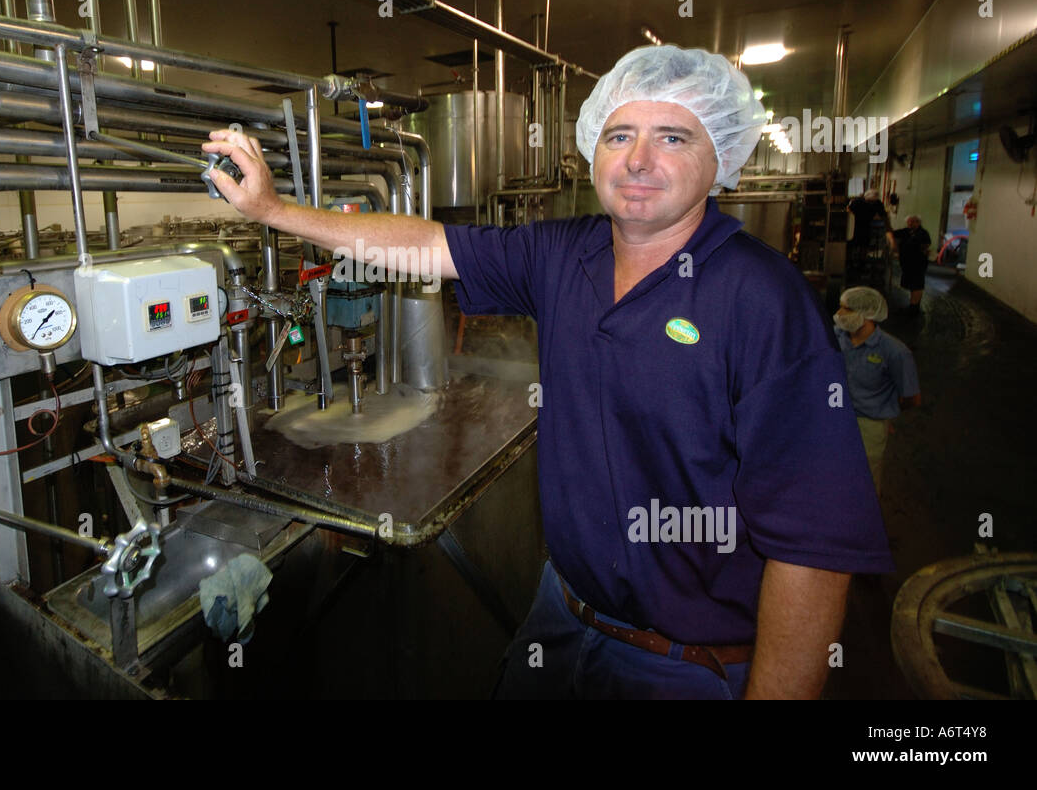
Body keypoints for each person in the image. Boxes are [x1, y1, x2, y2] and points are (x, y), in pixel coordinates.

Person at [202, 44, 893, 700]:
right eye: (619, 136)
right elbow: (424, 246)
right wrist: (275, 212)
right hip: (562, 616)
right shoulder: (565, 253)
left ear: (722, 154)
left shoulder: (764, 300)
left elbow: (812, 549)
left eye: (673, 137)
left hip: (686, 665)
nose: (639, 159)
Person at [833, 287, 920, 496]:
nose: (839, 314)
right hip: (836, 418)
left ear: (867, 314)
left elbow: (912, 398)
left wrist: (884, 411)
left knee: (863, 485)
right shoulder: (837, 337)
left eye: (848, 309)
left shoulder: (895, 352)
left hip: (868, 426)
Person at [887, 215, 931, 313]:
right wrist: (893, 242)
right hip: (907, 264)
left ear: (918, 223)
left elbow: (925, 246)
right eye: (909, 222)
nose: (910, 223)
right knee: (912, 285)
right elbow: (890, 233)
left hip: (918, 263)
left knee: (917, 285)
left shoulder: (923, 233)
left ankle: (914, 309)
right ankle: (913, 306)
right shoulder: (906, 231)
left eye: (914, 221)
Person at [846, 188, 887, 277]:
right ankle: (849, 263)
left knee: (864, 245)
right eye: (869, 201)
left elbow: (883, 215)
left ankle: (862, 264)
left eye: (872, 202)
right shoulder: (857, 202)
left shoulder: (877, 203)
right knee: (851, 244)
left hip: (866, 226)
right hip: (854, 226)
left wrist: (887, 227)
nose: (871, 203)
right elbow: (848, 211)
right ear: (865, 198)